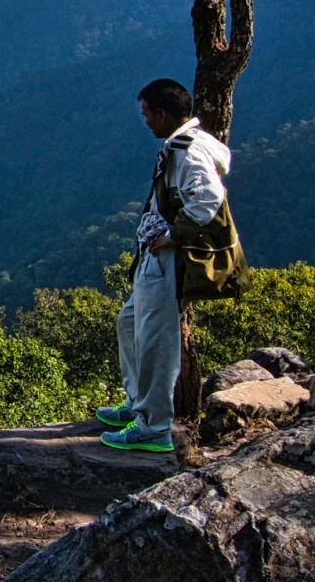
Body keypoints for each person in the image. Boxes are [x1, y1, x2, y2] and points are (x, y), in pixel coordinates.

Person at [96, 78, 231, 453]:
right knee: (129, 323)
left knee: (156, 339)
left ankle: (153, 426)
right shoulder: (193, 141)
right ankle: (139, 403)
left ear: (162, 113)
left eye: (147, 115)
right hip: (154, 255)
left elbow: (208, 200)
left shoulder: (187, 151)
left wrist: (174, 235)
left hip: (166, 257)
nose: (146, 123)